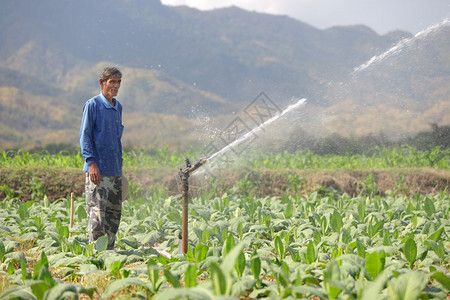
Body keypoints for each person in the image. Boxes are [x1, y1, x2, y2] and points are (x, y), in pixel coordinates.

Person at [79, 67, 124, 250]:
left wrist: (120, 170)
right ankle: (97, 257)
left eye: (118, 82)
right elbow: (85, 136)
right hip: (98, 171)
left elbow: (115, 140)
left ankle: (109, 254)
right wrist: (91, 164)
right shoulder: (93, 105)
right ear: (102, 82)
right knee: (97, 218)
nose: (115, 85)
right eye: (112, 81)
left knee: (113, 218)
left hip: (114, 171)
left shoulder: (118, 107)